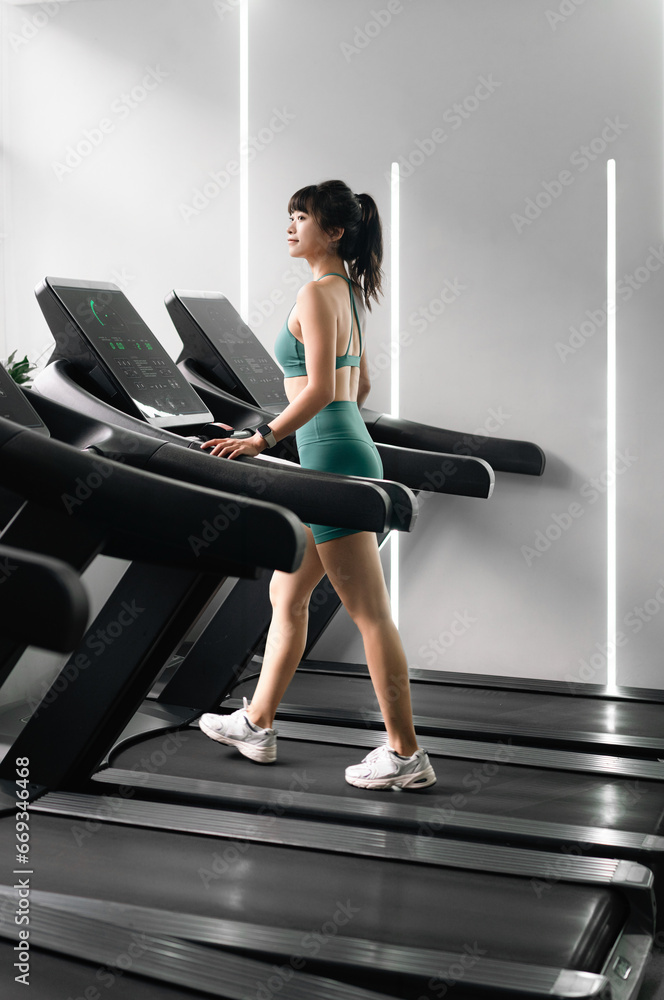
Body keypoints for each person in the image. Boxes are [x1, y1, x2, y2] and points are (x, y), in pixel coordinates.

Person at [199, 179, 435, 790]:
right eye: (290, 215)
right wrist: (278, 428)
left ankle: (406, 757)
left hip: (330, 462)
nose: (290, 225)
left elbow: (326, 391)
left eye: (300, 217)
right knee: (287, 595)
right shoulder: (348, 294)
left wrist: (263, 438)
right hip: (336, 453)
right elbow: (360, 391)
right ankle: (257, 722)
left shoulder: (314, 292)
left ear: (333, 231)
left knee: (370, 615)